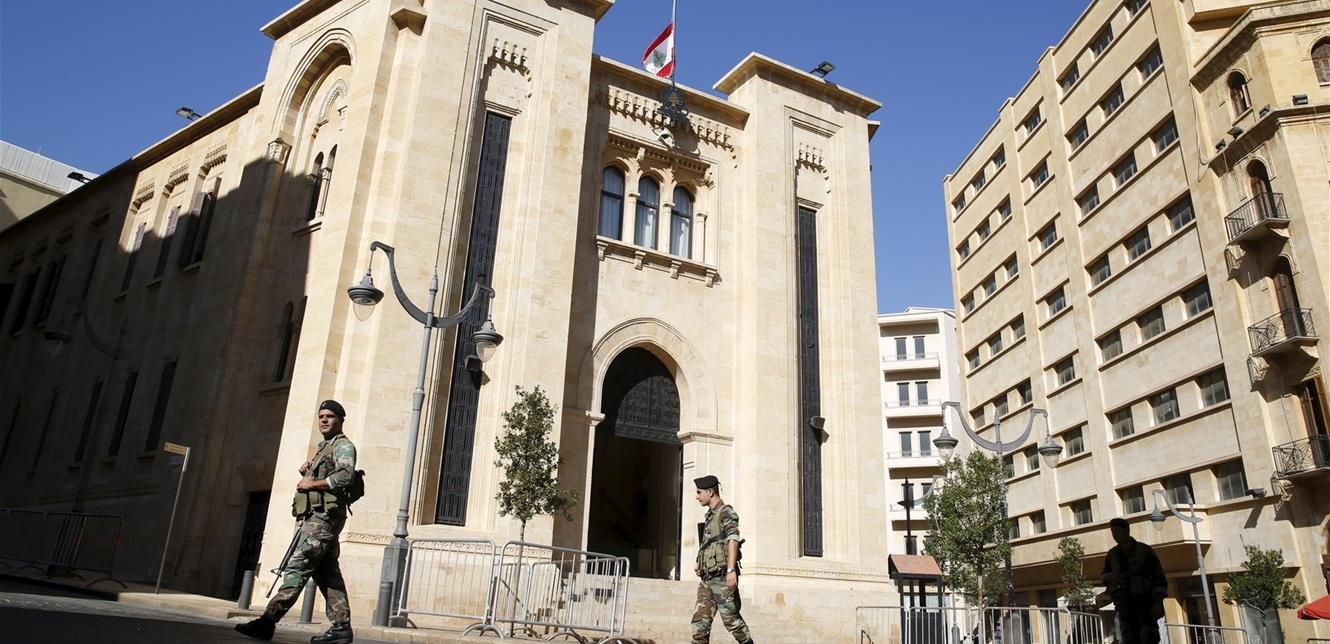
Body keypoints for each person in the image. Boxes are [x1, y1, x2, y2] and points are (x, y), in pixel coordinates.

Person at [237, 400, 358, 644]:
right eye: (321, 416)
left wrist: (312, 483)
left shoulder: (343, 446)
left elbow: (346, 475)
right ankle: (341, 627)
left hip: (323, 519)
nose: (324, 420)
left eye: (330, 416)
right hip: (319, 519)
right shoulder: (325, 447)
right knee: (327, 574)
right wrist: (308, 472)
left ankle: (267, 621)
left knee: (297, 567)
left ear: (340, 420)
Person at [690, 475, 754, 644]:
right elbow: (709, 543)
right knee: (699, 624)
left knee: (732, 621)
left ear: (710, 492)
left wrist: (731, 570)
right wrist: (700, 563)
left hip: (722, 577)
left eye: (699, 492)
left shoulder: (726, 512)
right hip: (707, 579)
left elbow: (733, 539)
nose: (696, 496)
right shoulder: (710, 516)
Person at [1101, 517, 1167, 644]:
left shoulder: (1144, 551)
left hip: (1146, 606)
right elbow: (1103, 576)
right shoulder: (1112, 554)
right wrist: (1111, 576)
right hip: (1124, 608)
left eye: (1117, 530)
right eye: (1112, 531)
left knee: (1149, 638)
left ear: (1127, 530)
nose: (1114, 534)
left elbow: (1159, 578)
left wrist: (1158, 602)